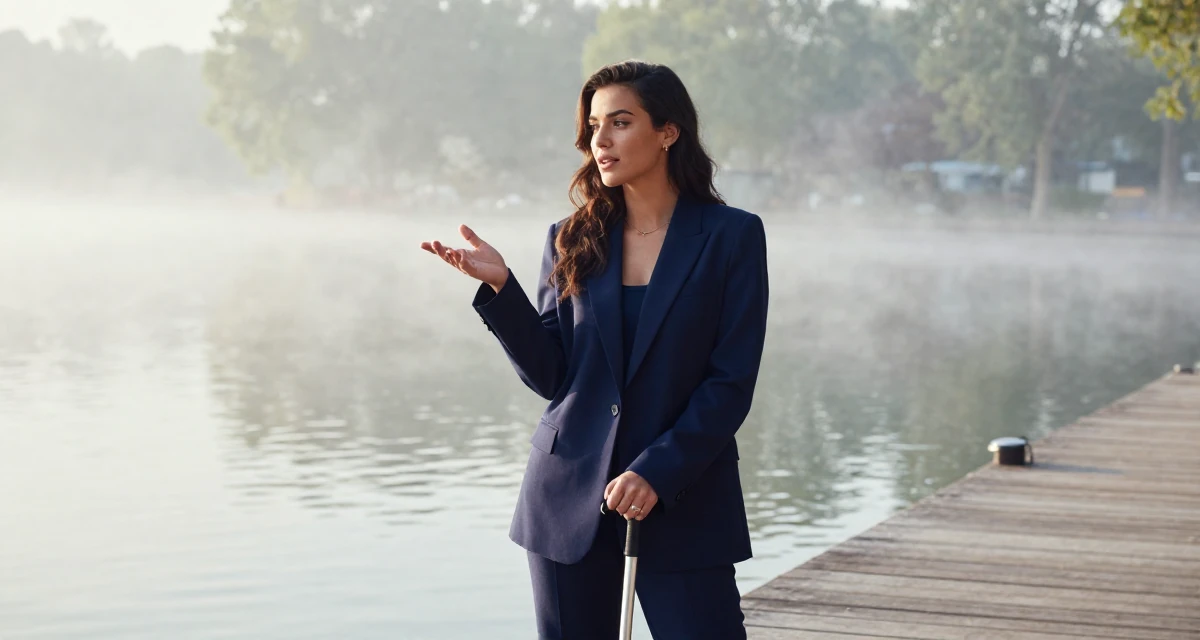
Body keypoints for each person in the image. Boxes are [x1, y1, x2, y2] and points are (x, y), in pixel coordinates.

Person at [419, 60, 769, 640]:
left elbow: (729, 382)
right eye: (593, 126)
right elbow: (554, 375)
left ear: (668, 131)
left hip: (685, 500)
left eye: (620, 123)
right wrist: (503, 292)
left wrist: (656, 471)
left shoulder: (732, 236)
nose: (599, 141)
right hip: (566, 499)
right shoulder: (570, 237)